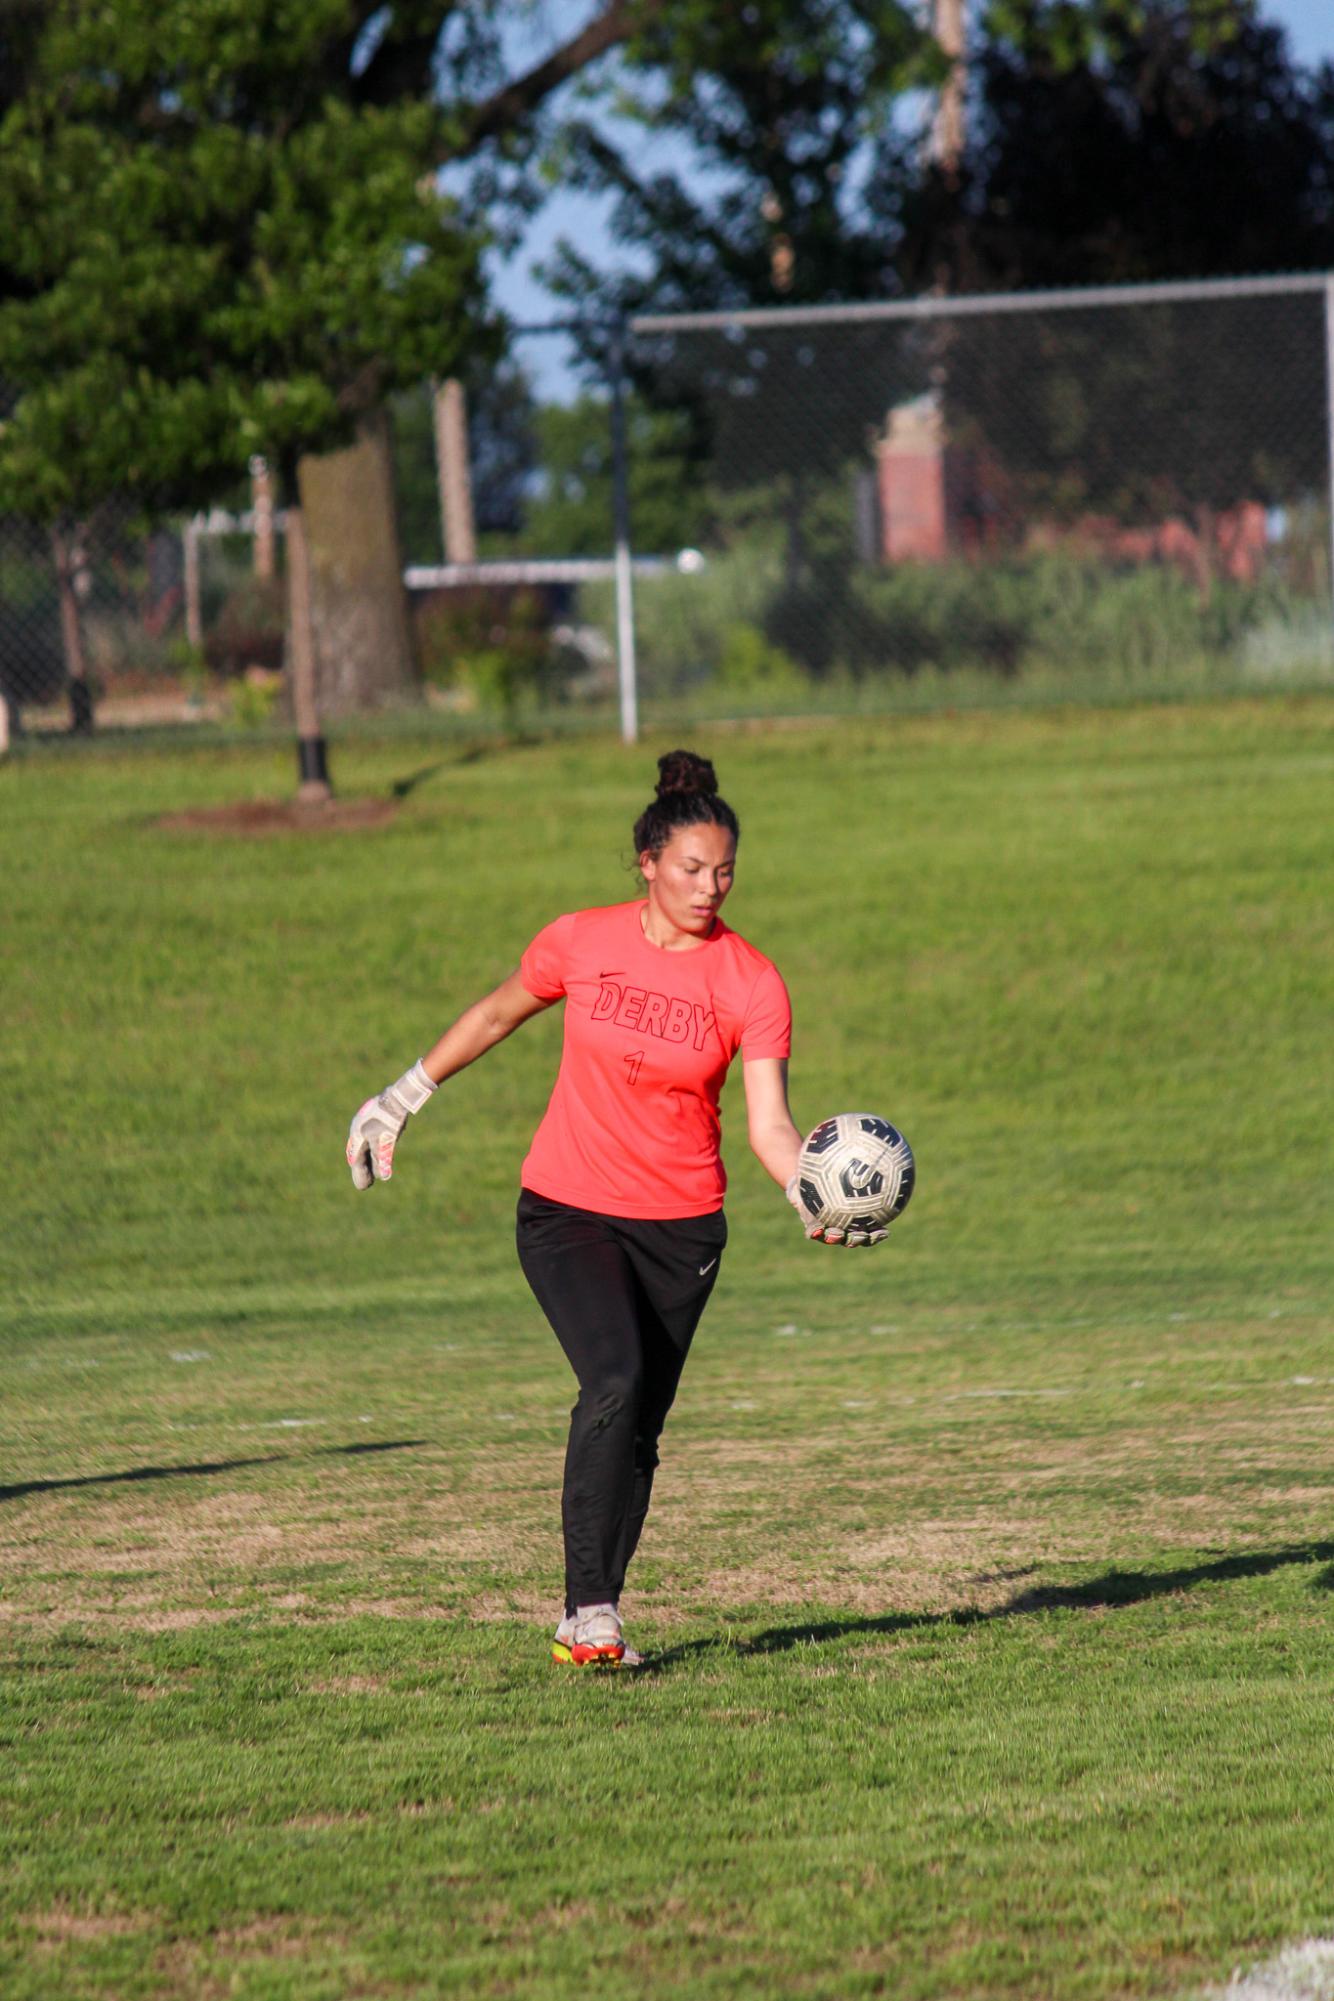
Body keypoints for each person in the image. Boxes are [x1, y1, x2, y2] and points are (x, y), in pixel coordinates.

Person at [346, 749, 876, 1669]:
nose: (710, 887)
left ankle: (594, 1612)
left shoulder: (752, 981)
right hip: (567, 1209)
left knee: (640, 1426)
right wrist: (401, 1095)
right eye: (691, 869)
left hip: (683, 1229)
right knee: (615, 1380)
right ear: (647, 861)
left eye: (725, 872)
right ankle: (590, 1612)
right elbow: (496, 1013)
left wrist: (806, 1190)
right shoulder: (581, 941)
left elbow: (770, 1125)